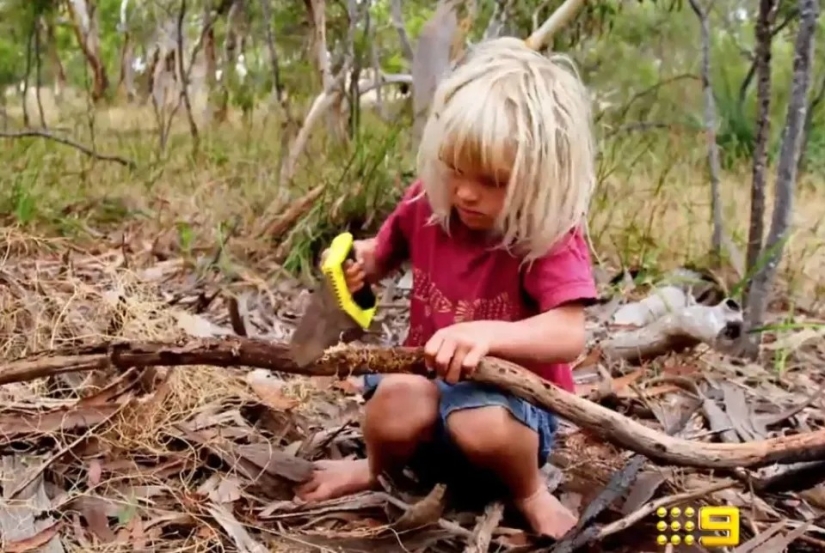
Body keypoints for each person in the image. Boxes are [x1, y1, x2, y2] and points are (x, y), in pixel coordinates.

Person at [294, 36, 598, 539]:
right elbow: (382, 253)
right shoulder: (431, 203)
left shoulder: (546, 233)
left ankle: (529, 491)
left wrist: (489, 336)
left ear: (543, 180)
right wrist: (358, 265)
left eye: (492, 179)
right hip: (429, 389)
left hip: (507, 411)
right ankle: (376, 470)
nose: (465, 192)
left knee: (479, 420)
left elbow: (569, 332)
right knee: (393, 404)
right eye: (455, 169)